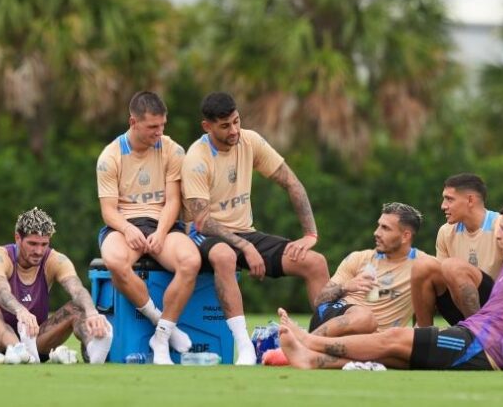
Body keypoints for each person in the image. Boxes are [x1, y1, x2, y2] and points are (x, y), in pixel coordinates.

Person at [277, 198, 503, 374]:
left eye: (502, 229)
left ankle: (309, 342)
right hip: (476, 340)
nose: (497, 235)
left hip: (477, 347)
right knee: (393, 357)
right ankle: (314, 359)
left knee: (395, 339)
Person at [181, 91, 329, 365]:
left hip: (245, 232)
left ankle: (322, 345)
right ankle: (245, 347)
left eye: (236, 121)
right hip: (204, 236)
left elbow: (292, 183)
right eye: (225, 126)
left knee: (315, 263)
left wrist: (310, 234)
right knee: (225, 256)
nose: (234, 130)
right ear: (207, 126)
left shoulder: (250, 141)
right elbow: (202, 221)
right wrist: (245, 246)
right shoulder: (196, 158)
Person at [96, 91, 201, 364]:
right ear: (133, 122)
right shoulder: (110, 156)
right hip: (123, 224)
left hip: (161, 222)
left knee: (191, 261)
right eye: (153, 127)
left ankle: (162, 338)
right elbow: (108, 211)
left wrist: (162, 232)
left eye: (163, 125)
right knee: (114, 262)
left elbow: (173, 201)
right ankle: (160, 320)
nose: (160, 132)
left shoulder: (172, 150)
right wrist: (128, 229)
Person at [0, 207, 113, 364]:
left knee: (77, 307)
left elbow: (77, 289)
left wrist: (92, 313)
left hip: (32, 341)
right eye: (32, 243)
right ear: (17, 238)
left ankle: (94, 349)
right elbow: (1, 292)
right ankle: (18, 350)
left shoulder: (55, 260)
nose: (39, 251)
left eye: (44, 244)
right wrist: (20, 311)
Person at [307, 202, 427, 338]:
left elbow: (424, 314)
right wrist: (345, 287)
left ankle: (302, 348)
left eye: (385, 228)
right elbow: (319, 301)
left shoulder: (423, 266)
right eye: (379, 226)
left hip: (373, 342)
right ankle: (304, 343)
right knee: (365, 318)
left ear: (406, 236)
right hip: (334, 316)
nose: (376, 233)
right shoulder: (358, 258)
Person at [411, 173, 502, 328]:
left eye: (449, 199)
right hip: (460, 307)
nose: (443, 205)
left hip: (497, 309)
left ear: (470, 200)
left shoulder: (501, 225)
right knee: (422, 266)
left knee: (452, 266)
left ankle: (479, 338)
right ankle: (424, 342)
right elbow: (437, 281)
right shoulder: (446, 232)